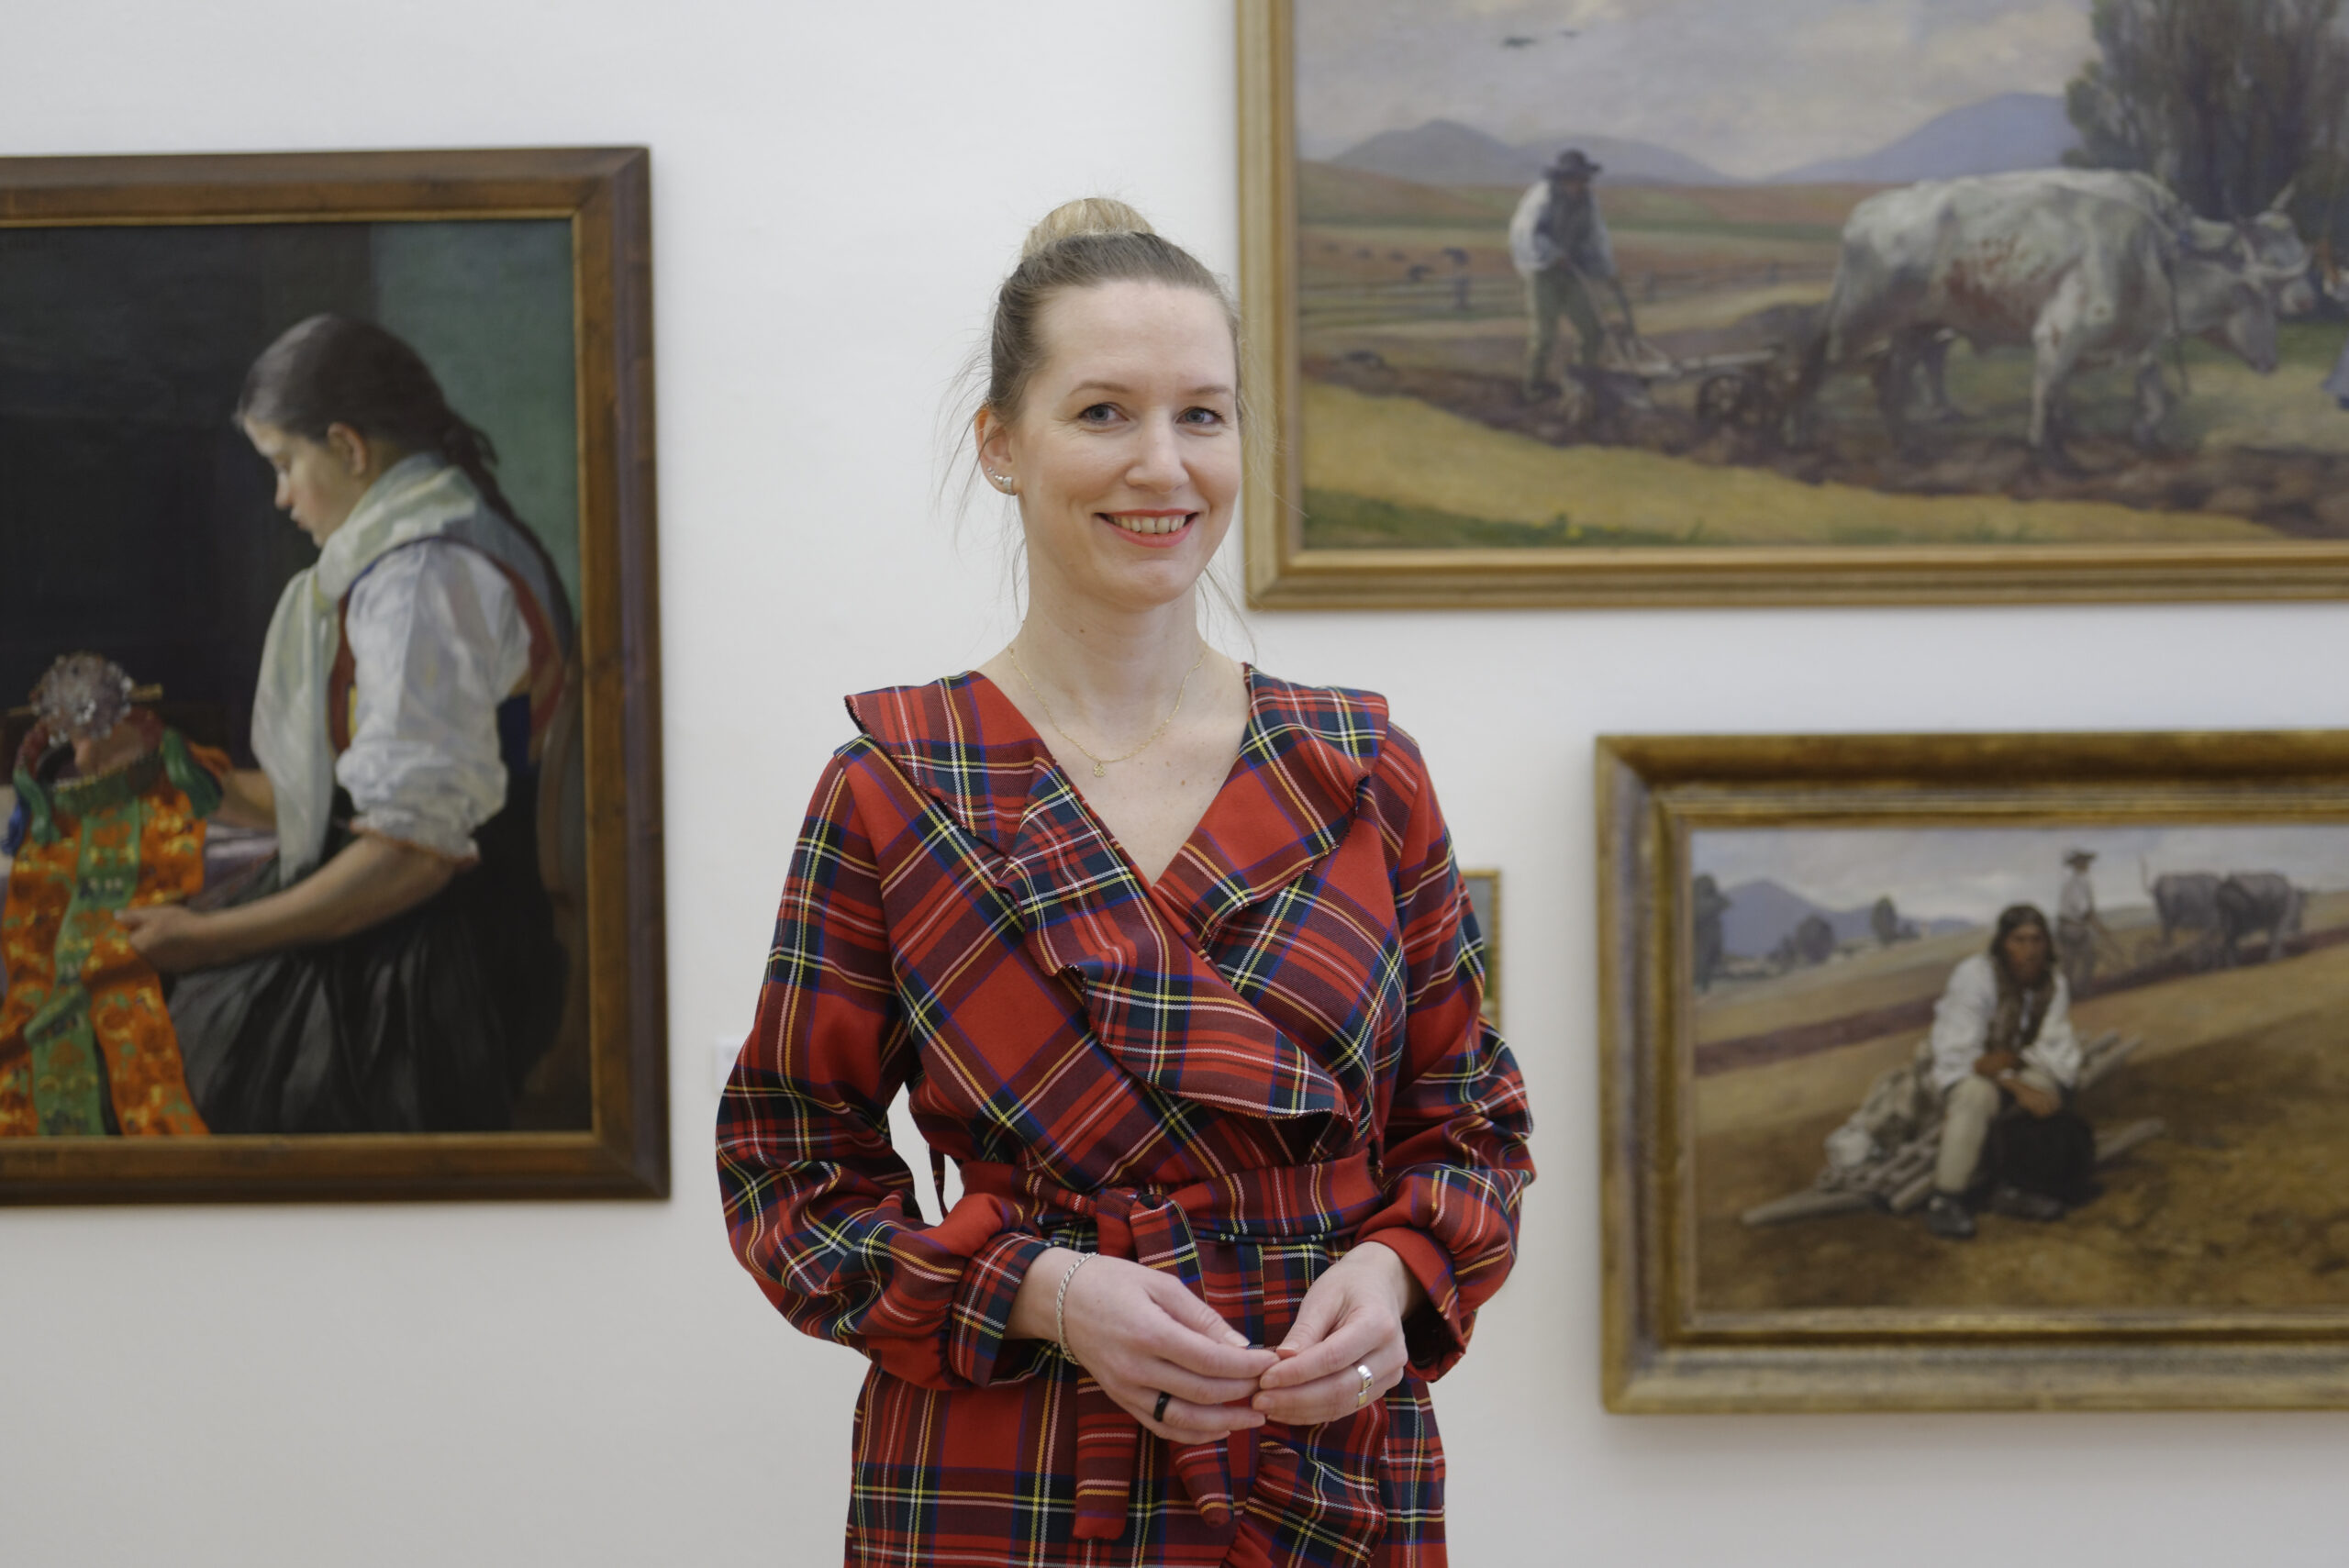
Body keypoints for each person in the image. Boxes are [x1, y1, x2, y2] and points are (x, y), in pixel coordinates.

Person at [716, 198, 1535, 1566]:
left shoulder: (1362, 772)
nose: (1163, 465)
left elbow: (1470, 1123)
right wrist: (1039, 1290)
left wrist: (1395, 1271)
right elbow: (785, 1174)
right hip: (1009, 1474)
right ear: (1001, 443)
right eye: (1103, 412)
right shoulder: (898, 786)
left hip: (1318, 1456)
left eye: (1201, 415)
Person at [113, 315, 573, 1133]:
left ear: (348, 447)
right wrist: (164, 765)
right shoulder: (413, 556)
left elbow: (412, 854)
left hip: (436, 973)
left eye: (285, 464)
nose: (282, 497)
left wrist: (211, 941)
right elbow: (332, 804)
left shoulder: (425, 582)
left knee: (146, 1050)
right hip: (408, 922)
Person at [1920, 905, 2093, 1241]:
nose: (2030, 950)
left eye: (2037, 940)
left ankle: (2014, 1188)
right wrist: (2011, 1080)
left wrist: (2013, 1065)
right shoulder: (1975, 976)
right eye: (2019, 940)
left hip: (2009, 1064)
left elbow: (2055, 1051)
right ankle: (1946, 1198)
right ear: (2002, 944)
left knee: (2045, 1088)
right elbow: (1960, 1053)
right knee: (1977, 1094)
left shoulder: (2052, 983)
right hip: (1956, 1068)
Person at [1508, 148, 1635, 398]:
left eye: (1581, 178)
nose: (1578, 183)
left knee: (1592, 330)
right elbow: (1527, 232)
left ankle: (1584, 381)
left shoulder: (1588, 202)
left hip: (1574, 270)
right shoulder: (1542, 197)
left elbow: (1596, 238)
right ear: (1562, 178)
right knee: (1544, 334)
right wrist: (1553, 254)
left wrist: (1607, 271)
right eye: (1573, 178)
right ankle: (1534, 386)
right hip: (1543, 272)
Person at [2055, 847, 2103, 995]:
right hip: (2073, 928)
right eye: (2084, 862)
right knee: (2088, 957)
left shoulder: (2073, 882)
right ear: (2077, 864)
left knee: (2070, 962)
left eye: (2086, 861)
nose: (2087, 864)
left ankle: (2070, 991)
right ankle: (2081, 990)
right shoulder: (2079, 882)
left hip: (2066, 926)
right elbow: (2083, 909)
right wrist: (2098, 926)